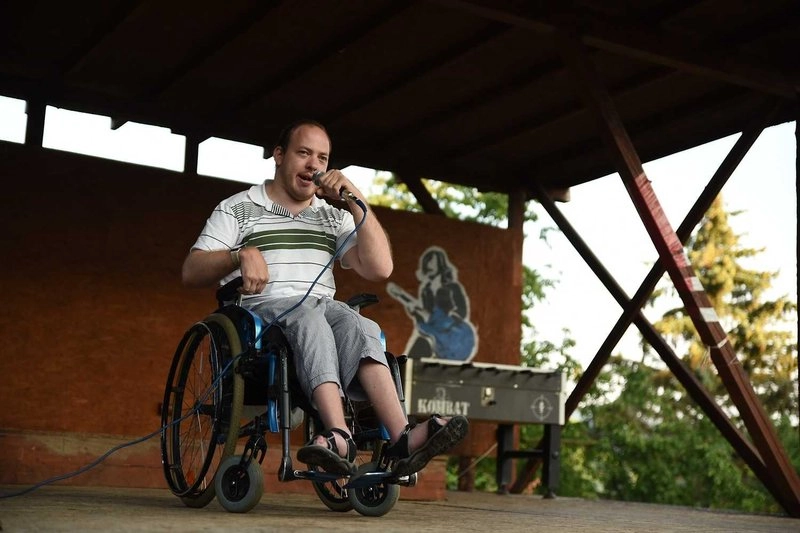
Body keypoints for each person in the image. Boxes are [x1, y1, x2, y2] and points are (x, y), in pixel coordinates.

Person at [181, 119, 468, 476]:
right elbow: (191, 271)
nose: (314, 165)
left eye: (322, 157)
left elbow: (381, 268)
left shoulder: (332, 218)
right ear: (279, 155)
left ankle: (402, 438)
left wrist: (355, 198)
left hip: (323, 307)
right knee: (308, 317)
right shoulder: (238, 208)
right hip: (260, 315)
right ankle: (339, 434)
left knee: (359, 323)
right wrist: (238, 255)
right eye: (303, 153)